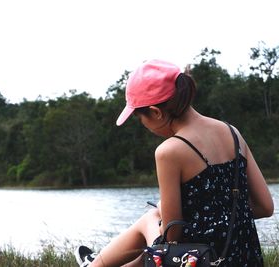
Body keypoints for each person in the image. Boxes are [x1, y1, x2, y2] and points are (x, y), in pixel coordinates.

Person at [75, 59, 274, 267]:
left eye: (139, 118)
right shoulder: (234, 134)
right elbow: (265, 207)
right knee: (149, 253)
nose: (144, 125)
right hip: (245, 259)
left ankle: (94, 265)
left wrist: (163, 209)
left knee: (150, 219)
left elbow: (172, 235)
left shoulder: (170, 151)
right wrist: (216, 218)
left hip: (201, 261)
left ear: (156, 112)